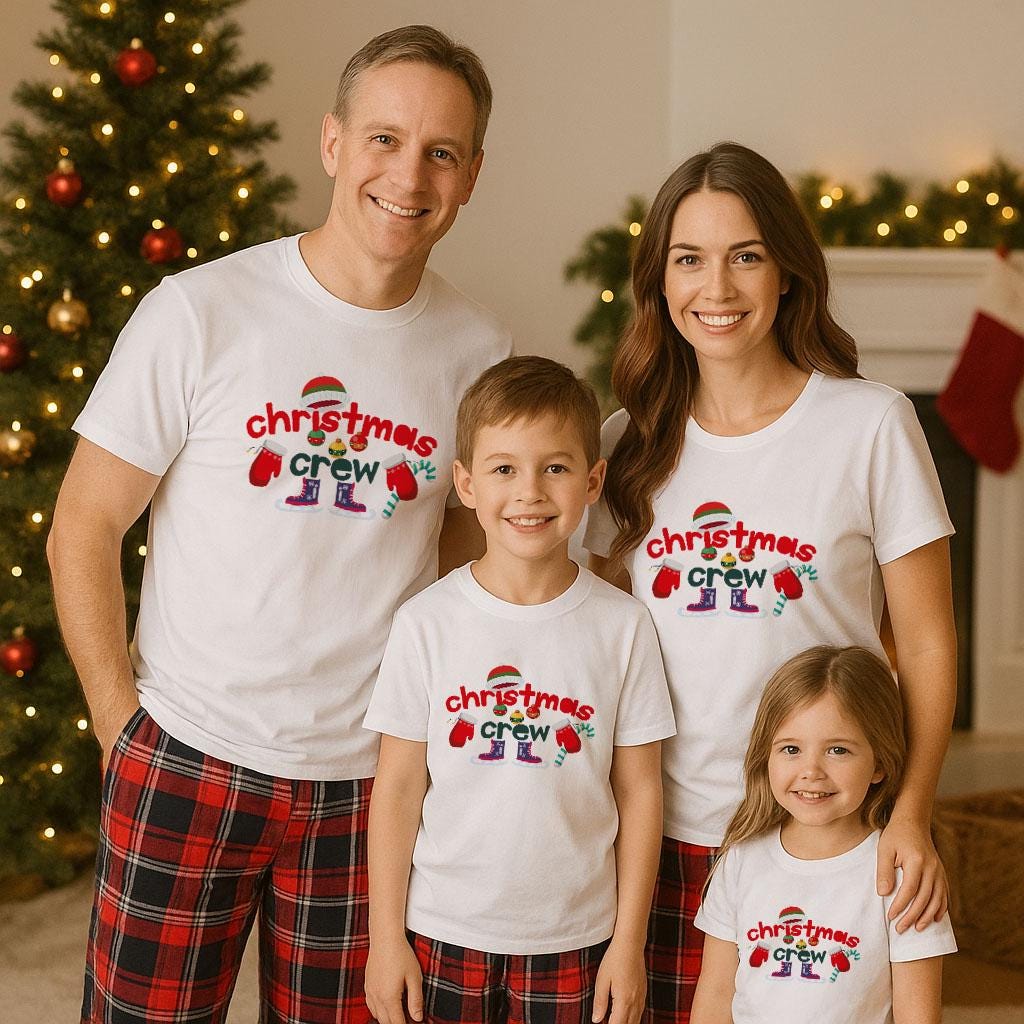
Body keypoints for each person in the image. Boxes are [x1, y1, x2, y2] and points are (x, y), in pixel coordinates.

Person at [47, 25, 511, 1024]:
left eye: (440, 151)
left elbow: (462, 567)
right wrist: (118, 727)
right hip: (184, 753)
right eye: (385, 139)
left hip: (365, 786)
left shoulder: (478, 353)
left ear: (471, 175)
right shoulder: (200, 311)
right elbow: (83, 523)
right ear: (334, 143)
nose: (408, 174)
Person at [584, 142, 957, 1022]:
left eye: (745, 255)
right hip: (656, 841)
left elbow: (931, 639)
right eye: (689, 259)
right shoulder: (623, 445)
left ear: (787, 271)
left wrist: (911, 812)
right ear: (659, 282)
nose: (717, 287)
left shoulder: (870, 423)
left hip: (823, 838)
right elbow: (589, 637)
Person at [362, 356, 676, 1024]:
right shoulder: (426, 623)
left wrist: (629, 941)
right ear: (467, 484)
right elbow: (396, 787)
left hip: (579, 940)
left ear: (593, 482)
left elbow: (641, 790)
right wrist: (384, 939)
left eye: (555, 468)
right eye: (504, 469)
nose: (529, 491)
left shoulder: (623, 628)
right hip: (443, 932)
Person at [690, 645, 956, 1024]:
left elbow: (919, 1015)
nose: (811, 770)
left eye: (837, 750)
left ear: (880, 762)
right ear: (766, 756)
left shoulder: (900, 873)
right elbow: (715, 998)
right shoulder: (740, 859)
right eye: (791, 749)